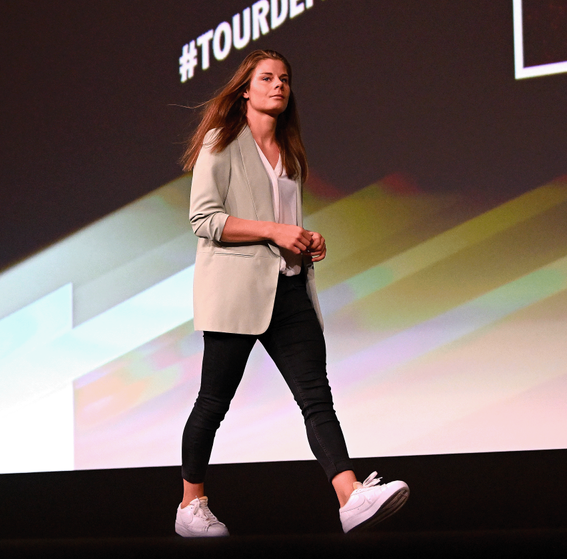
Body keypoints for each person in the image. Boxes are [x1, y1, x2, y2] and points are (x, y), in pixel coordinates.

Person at [175, 49, 409, 537]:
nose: (278, 85)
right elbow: (204, 219)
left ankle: (350, 497)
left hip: (290, 287)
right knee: (212, 403)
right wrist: (275, 231)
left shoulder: (291, 151)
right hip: (235, 293)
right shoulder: (222, 142)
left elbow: (284, 226)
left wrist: (304, 239)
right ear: (245, 89)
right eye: (267, 78)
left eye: (285, 78)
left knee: (316, 397)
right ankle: (190, 505)